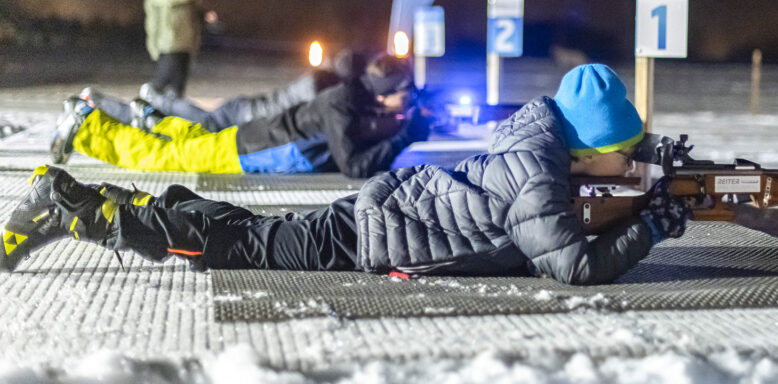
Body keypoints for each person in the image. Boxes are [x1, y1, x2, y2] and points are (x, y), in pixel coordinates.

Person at [4, 64, 690, 284]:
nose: (624, 163)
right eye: (621, 151)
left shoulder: (537, 143)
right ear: (588, 143)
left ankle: (93, 201)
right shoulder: (538, 173)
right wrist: (652, 228)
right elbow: (572, 265)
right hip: (371, 235)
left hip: (376, 215)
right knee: (234, 245)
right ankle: (76, 210)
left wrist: (650, 182)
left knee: (245, 232)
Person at [48, 53, 428, 177]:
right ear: (384, 92)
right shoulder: (342, 103)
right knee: (165, 158)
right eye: (404, 95)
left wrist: (398, 127)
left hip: (256, 138)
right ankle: (86, 128)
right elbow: (353, 166)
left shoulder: (353, 98)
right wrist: (404, 136)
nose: (407, 102)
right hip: (253, 148)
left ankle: (152, 120)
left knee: (190, 141)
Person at [80, 50, 371, 132]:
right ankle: (109, 105)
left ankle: (159, 100)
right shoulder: (323, 90)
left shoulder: (316, 77)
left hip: (244, 107)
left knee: (200, 117)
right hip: (245, 118)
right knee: (193, 124)